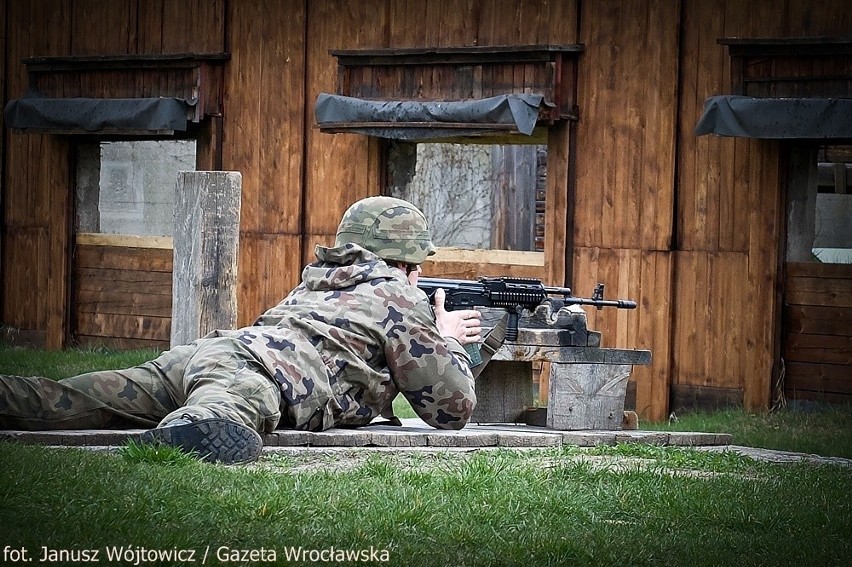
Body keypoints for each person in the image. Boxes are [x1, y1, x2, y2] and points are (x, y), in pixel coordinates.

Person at [0, 196, 482, 464]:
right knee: (223, 415)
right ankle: (186, 434)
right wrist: (449, 342)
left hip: (209, 355)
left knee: (74, 398)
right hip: (255, 375)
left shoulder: (321, 280)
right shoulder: (399, 297)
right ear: (405, 260)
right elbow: (451, 409)